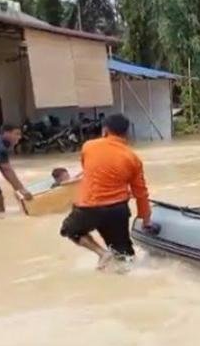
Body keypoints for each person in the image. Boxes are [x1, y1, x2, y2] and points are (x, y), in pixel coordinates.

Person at [60, 114, 153, 270]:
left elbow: (86, 169)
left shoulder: (88, 147)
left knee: (70, 230)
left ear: (105, 130)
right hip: (118, 210)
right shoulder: (133, 158)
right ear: (126, 133)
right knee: (124, 255)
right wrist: (145, 219)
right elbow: (141, 193)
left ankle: (101, 253)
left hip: (89, 207)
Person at [0, 124, 32, 212]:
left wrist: (17, 189)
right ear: (6, 133)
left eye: (20, 134)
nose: (19, 137)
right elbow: (7, 170)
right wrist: (21, 190)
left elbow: (4, 170)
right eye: (16, 134)